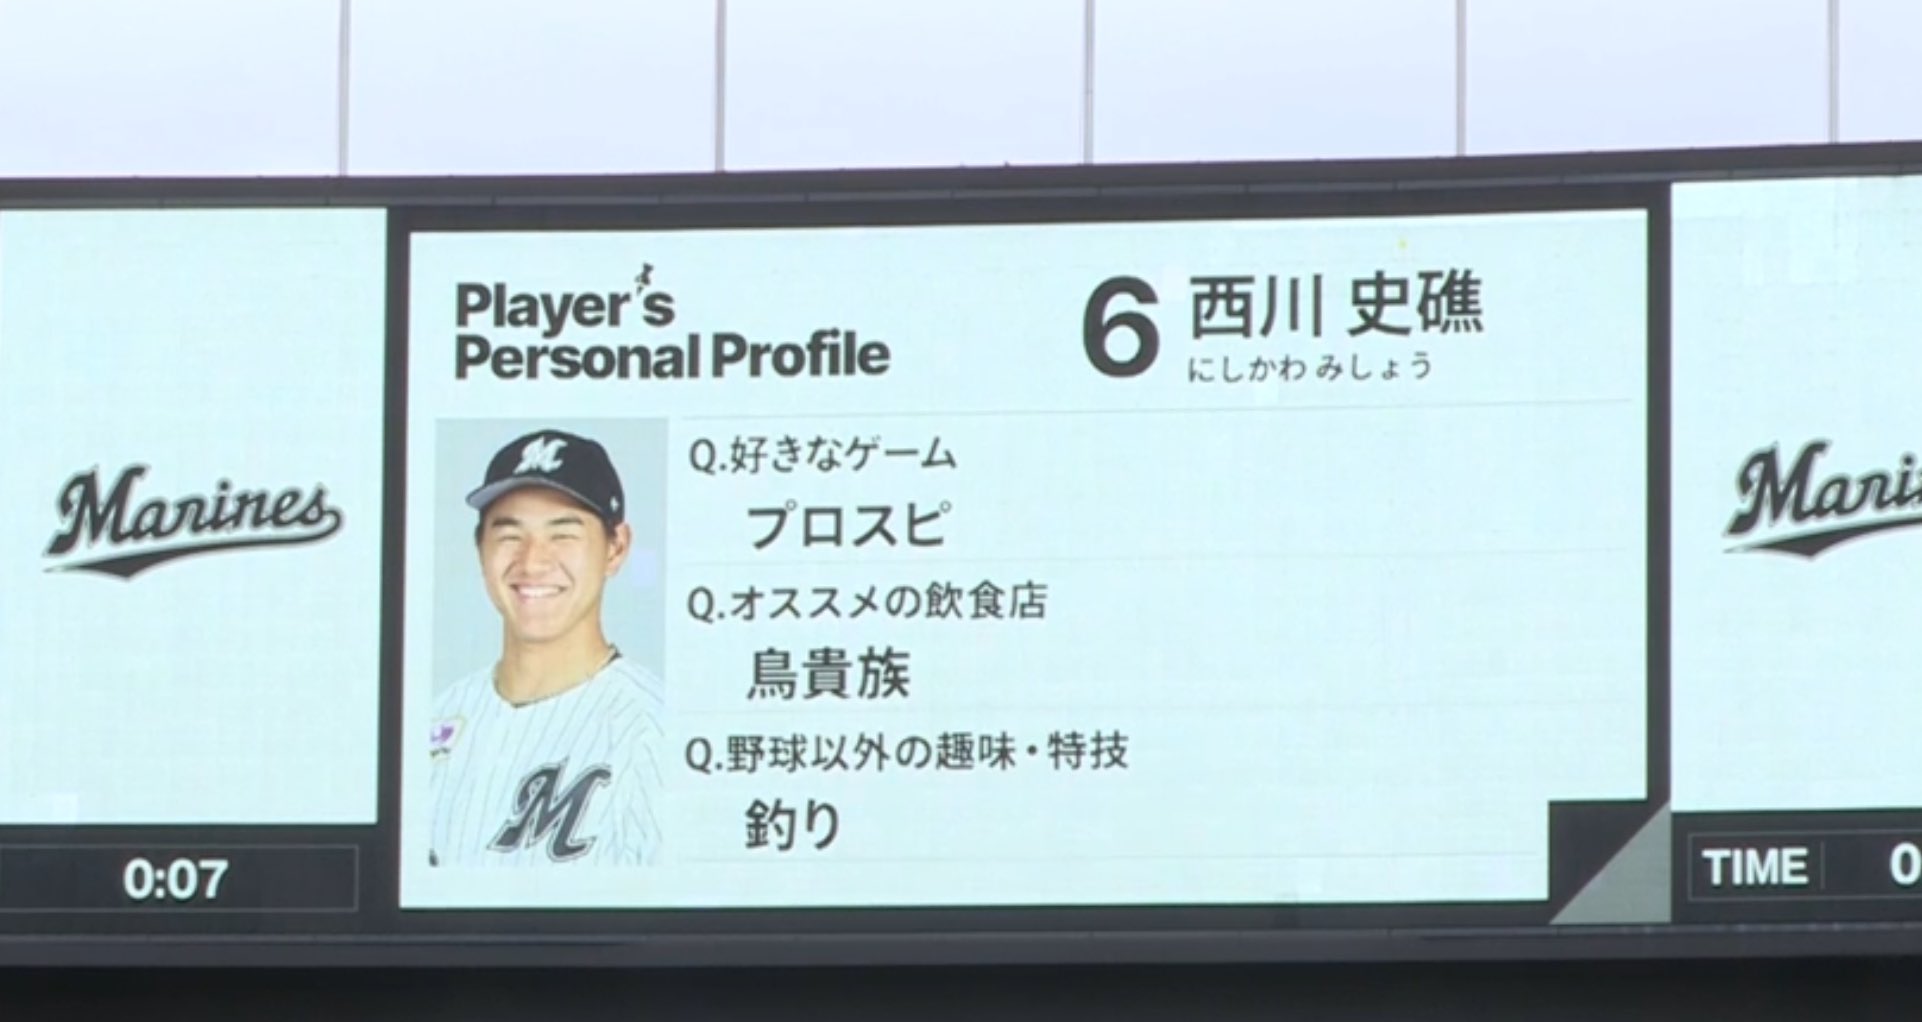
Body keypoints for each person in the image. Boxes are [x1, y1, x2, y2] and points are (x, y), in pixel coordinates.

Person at [427, 428, 664, 867]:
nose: (533, 561)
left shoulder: (654, 733)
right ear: (480, 549)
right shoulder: (437, 719)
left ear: (616, 549)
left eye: (563, 534)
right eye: (509, 534)